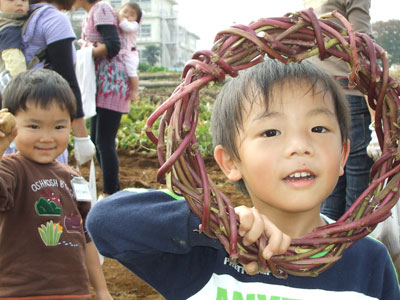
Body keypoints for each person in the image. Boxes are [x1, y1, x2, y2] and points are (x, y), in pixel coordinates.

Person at [85, 60, 400, 299]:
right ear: (231, 162)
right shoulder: (209, 251)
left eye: (318, 129)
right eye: (271, 132)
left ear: (344, 154)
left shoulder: (368, 259)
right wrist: (213, 224)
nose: (300, 146)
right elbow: (104, 221)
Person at [0, 69, 112, 299]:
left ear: (70, 126)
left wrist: (101, 291)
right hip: (19, 292)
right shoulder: (11, 170)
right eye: (34, 126)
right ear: (10, 124)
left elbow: (86, 237)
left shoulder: (73, 178)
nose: (47, 137)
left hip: (74, 292)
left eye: (58, 127)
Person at [306, 0, 375, 220]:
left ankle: (325, 244)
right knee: (357, 183)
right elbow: (362, 47)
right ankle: (353, 246)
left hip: (319, 98)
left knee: (331, 179)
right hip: (349, 96)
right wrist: (376, 118)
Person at [21, 0, 95, 165]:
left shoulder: (20, 16)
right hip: (45, 112)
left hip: (19, 116)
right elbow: (67, 80)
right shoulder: (53, 19)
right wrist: (81, 136)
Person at [73, 0, 132, 199]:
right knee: (98, 141)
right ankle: (112, 192)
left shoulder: (101, 9)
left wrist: (84, 54)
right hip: (100, 87)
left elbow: (113, 45)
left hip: (111, 84)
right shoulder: (93, 12)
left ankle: (109, 194)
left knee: (104, 142)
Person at [116, 1, 142, 102]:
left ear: (137, 19)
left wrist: (120, 17)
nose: (127, 15)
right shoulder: (120, 22)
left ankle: (135, 91)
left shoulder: (134, 25)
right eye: (125, 11)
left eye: (131, 15)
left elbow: (125, 26)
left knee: (131, 72)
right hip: (124, 53)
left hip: (131, 54)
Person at [0, 0, 28, 94]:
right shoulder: (9, 28)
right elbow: (15, 64)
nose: (19, 3)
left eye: (24, 0)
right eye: (11, 0)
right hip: (12, 86)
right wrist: (23, 89)